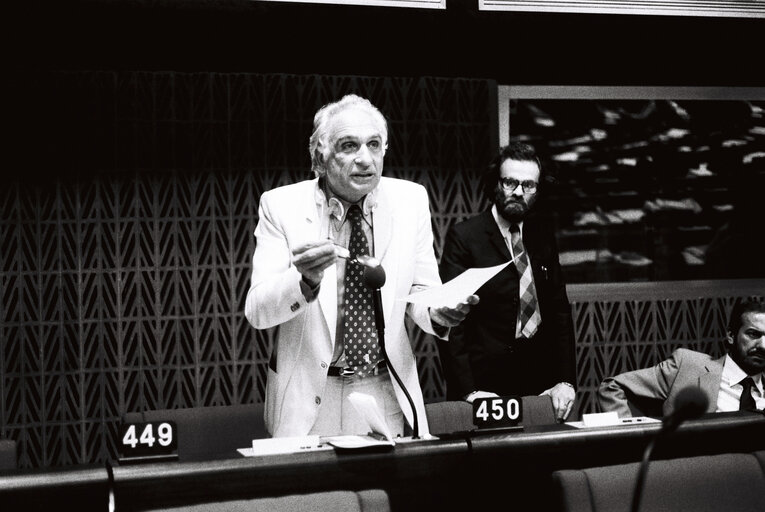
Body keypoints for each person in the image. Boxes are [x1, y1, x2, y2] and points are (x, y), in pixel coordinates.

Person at [244, 94, 478, 438]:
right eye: (349, 146)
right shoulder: (281, 206)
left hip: (384, 389)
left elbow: (421, 292)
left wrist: (440, 313)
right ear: (320, 157)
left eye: (374, 144)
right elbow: (257, 312)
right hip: (309, 396)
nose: (365, 159)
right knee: (317, 493)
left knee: (383, 493)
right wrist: (304, 281)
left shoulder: (410, 200)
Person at [438, 142, 577, 421]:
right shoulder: (465, 237)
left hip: (540, 384)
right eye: (510, 182)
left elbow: (559, 312)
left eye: (528, 185)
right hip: (483, 387)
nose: (518, 192)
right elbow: (450, 322)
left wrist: (565, 380)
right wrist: (469, 391)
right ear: (495, 184)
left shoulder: (542, 236)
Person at [598, 298, 765, 417]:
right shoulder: (687, 365)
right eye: (753, 334)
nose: (763, 346)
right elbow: (612, 386)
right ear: (731, 335)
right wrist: (632, 443)